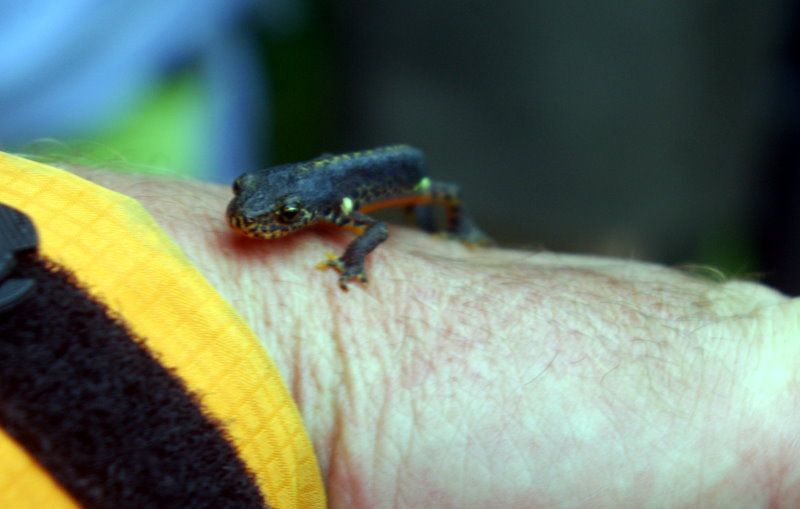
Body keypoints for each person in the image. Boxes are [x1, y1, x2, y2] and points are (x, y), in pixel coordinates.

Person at [4, 155, 800, 507]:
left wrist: (353, 266)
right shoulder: (293, 196)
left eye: (281, 221)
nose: (259, 227)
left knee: (443, 202)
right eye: (264, 212)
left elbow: (377, 231)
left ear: (312, 215)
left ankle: (465, 231)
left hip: (403, 173)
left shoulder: (349, 211)